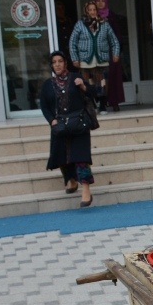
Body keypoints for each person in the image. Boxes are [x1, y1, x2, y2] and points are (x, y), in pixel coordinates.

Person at [39, 50, 95, 208]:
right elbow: (44, 106)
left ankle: (86, 190)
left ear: (65, 63)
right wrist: (52, 121)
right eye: (54, 62)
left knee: (81, 158)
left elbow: (93, 93)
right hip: (60, 126)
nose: (57, 64)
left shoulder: (76, 77)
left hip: (79, 124)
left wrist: (83, 86)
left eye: (60, 61)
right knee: (61, 156)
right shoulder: (47, 84)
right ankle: (71, 179)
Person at [69, 0, 120, 113]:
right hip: (85, 60)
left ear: (97, 11)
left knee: (102, 83)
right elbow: (73, 42)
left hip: (101, 59)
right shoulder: (80, 24)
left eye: (94, 10)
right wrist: (75, 58)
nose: (92, 12)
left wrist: (115, 53)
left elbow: (114, 41)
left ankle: (102, 105)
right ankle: (92, 105)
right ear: (86, 11)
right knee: (88, 84)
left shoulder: (104, 24)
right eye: (90, 10)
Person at [94, 0, 126, 113]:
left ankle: (114, 102)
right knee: (98, 78)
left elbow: (117, 35)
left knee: (113, 78)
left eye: (103, 1)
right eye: (98, 1)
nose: (100, 3)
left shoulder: (111, 16)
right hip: (97, 53)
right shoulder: (92, 16)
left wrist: (116, 52)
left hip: (112, 52)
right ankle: (100, 103)